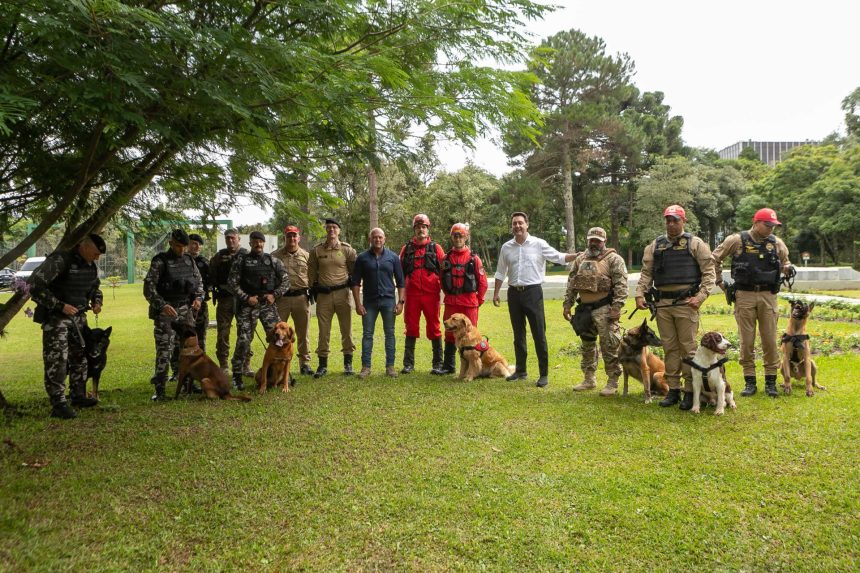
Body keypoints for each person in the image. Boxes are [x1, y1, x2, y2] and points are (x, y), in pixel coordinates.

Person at [634, 205, 716, 410]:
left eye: (675, 220)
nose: (671, 224)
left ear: (683, 221)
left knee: (688, 348)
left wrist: (700, 297)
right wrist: (639, 294)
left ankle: (689, 390)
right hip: (663, 305)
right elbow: (646, 273)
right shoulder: (655, 246)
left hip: (686, 303)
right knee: (669, 348)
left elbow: (709, 273)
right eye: (668, 220)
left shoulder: (695, 244)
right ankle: (673, 389)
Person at [712, 207, 792, 397]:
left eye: (773, 225)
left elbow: (786, 261)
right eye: (767, 224)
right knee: (746, 341)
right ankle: (750, 381)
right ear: (755, 223)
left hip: (768, 295)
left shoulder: (776, 243)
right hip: (744, 295)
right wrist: (720, 282)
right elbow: (714, 258)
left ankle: (770, 382)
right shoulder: (736, 240)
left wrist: (788, 268)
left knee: (770, 340)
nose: (771, 228)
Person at [492, 212, 578, 388]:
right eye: (514, 223)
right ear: (512, 226)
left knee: (539, 334)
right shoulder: (506, 247)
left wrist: (577, 255)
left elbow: (559, 257)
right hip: (514, 294)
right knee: (518, 334)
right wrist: (496, 293)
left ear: (527, 225)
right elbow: (501, 271)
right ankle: (521, 371)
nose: (517, 226)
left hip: (533, 293)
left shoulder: (538, 244)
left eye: (520, 223)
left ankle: (543, 374)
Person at [30, 234, 106, 419]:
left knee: (80, 358)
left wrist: (97, 301)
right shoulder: (60, 260)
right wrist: (59, 305)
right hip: (57, 319)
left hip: (79, 319)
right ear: (83, 246)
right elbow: (34, 285)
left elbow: (95, 288)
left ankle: (78, 396)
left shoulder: (90, 266)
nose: (97, 258)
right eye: (95, 254)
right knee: (58, 360)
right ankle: (58, 403)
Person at [563, 227, 628, 395]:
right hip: (584, 310)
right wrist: (567, 304)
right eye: (591, 240)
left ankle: (612, 382)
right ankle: (589, 379)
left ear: (604, 241)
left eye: (597, 241)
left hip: (605, 309)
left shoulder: (614, 259)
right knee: (587, 345)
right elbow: (572, 283)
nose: (594, 243)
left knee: (609, 346)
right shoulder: (580, 259)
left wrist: (617, 307)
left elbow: (621, 285)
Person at [143, 229, 204, 401]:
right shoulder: (160, 261)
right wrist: (162, 305)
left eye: (184, 246)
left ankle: (188, 383)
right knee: (165, 350)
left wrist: (198, 298)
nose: (181, 250)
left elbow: (199, 283)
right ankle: (160, 389)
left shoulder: (189, 260)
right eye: (178, 246)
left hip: (185, 310)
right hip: (166, 312)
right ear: (170, 243)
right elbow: (149, 288)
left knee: (188, 348)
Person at [228, 230, 289, 390]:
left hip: (268, 305)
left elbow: (286, 281)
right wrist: (246, 298)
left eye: (260, 241)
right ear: (250, 243)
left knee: (279, 338)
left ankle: (281, 373)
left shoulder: (273, 261)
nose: (258, 244)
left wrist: (274, 295)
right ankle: (237, 375)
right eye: (254, 241)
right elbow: (232, 283)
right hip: (248, 306)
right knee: (243, 340)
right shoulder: (241, 260)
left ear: (264, 243)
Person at [350, 228, 405, 378]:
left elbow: (401, 282)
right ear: (370, 239)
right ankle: (366, 367)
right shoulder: (362, 258)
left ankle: (390, 367)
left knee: (390, 334)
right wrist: (358, 304)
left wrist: (401, 302)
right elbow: (355, 283)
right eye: (375, 237)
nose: (377, 239)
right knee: (367, 334)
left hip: (388, 301)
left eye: (380, 237)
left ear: (384, 239)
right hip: (369, 302)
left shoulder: (393, 258)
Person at [308, 218, 357, 378]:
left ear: (339, 231)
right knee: (323, 331)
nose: (331, 230)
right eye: (328, 227)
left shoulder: (347, 250)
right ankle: (322, 365)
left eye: (334, 227)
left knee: (346, 330)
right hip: (324, 296)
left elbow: (354, 271)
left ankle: (348, 363)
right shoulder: (317, 251)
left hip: (343, 294)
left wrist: (353, 285)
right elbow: (311, 271)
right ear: (326, 230)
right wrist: (313, 287)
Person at [399, 214, 446, 374]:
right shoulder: (406, 249)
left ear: (428, 229)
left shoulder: (436, 248)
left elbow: (444, 271)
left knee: (434, 326)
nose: (421, 229)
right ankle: (408, 364)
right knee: (411, 326)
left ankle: (438, 363)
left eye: (424, 227)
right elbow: (400, 273)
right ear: (414, 229)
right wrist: (401, 297)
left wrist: (445, 291)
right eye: (418, 227)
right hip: (412, 295)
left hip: (431, 295)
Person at [438, 223, 488, 375]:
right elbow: (442, 280)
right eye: (455, 235)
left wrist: (478, 301)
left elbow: (483, 283)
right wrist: (449, 295)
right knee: (449, 332)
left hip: (469, 303)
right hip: (452, 302)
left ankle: (473, 368)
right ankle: (449, 365)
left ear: (466, 237)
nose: (458, 238)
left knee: (470, 334)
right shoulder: (446, 258)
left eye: (461, 236)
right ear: (452, 237)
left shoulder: (474, 259)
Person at [272, 225, 314, 376]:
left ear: (298, 238)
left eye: (294, 235)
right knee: (278, 332)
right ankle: (277, 360)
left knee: (303, 333)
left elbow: (312, 276)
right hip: (281, 299)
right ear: (284, 238)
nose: (292, 238)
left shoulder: (307, 256)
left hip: (301, 298)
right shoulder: (275, 256)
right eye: (289, 236)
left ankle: (304, 363)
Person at [208, 228, 251, 375]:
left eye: (233, 238)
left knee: (245, 332)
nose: (230, 241)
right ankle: (224, 364)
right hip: (224, 299)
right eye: (228, 238)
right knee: (223, 332)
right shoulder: (219, 256)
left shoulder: (246, 255)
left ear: (239, 239)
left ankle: (245, 364)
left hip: (243, 300)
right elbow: (211, 275)